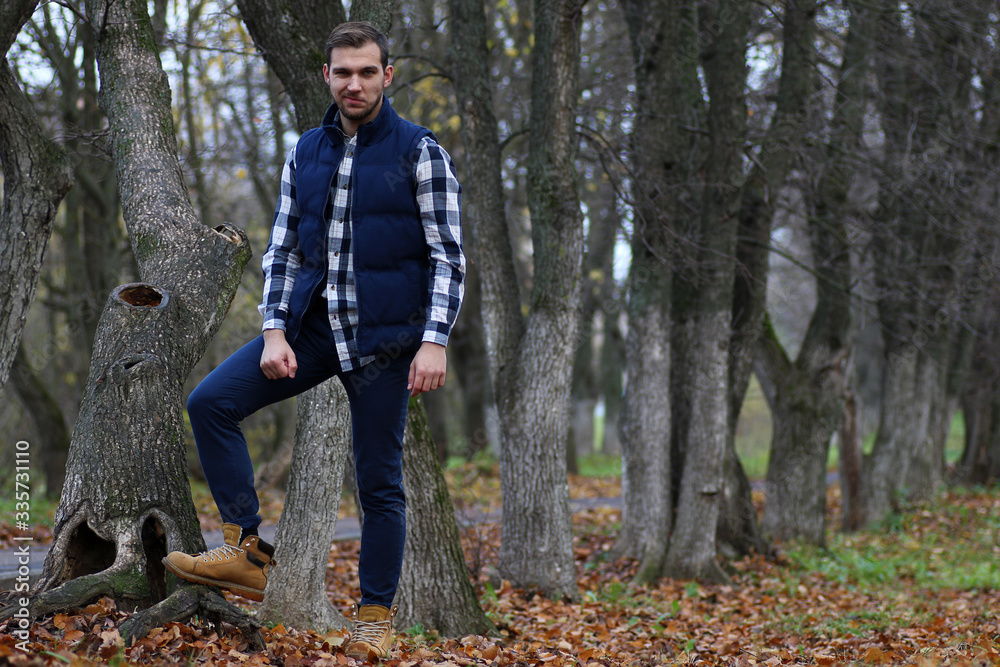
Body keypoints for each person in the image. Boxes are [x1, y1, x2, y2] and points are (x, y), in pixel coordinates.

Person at [162, 21, 464, 660]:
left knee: (379, 483)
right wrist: (273, 329)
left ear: (388, 75)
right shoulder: (306, 151)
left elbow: (447, 257)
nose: (354, 83)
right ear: (327, 76)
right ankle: (248, 550)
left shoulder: (420, 152)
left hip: (387, 345)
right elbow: (283, 249)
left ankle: (374, 617)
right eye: (342, 72)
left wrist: (434, 341)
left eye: (366, 71)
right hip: (313, 330)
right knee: (211, 403)